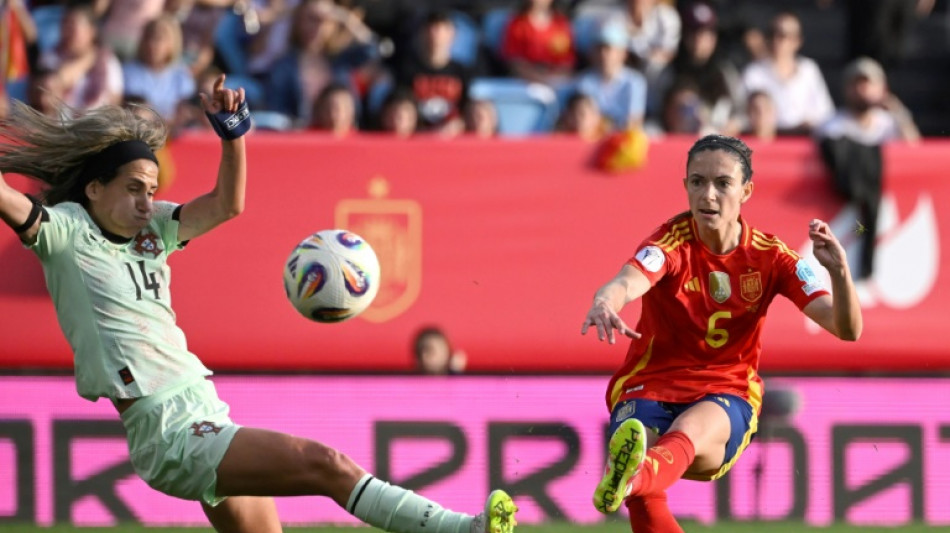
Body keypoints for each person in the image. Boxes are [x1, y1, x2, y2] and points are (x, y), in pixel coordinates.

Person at [0, 75, 517, 533]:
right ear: (93, 188)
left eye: (152, 189)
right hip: (167, 430)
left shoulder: (155, 227)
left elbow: (228, 204)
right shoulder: (63, 232)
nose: (146, 201)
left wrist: (235, 136)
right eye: (134, 189)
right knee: (327, 463)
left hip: (204, 407)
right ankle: (460, 529)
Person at [580, 134, 862, 532]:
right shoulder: (670, 242)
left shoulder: (771, 256)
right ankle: (634, 478)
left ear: (746, 190)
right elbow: (628, 281)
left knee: (682, 434)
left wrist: (839, 272)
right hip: (649, 384)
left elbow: (847, 328)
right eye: (697, 182)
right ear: (685, 187)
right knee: (643, 469)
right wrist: (606, 300)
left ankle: (630, 476)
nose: (707, 194)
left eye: (722, 183)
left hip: (725, 390)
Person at [815, 56, 919, 281]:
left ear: (881, 88)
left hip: (883, 211)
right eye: (856, 84)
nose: (862, 90)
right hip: (846, 213)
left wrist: (897, 110)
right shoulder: (832, 126)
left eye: (868, 84)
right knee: (856, 234)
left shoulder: (890, 124)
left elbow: (916, 153)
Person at [741, 12, 834, 135]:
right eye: (772, 33)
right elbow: (740, 116)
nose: (776, 40)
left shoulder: (810, 70)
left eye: (783, 35)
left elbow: (826, 115)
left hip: (804, 145)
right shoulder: (753, 73)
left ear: (797, 41)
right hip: (765, 144)